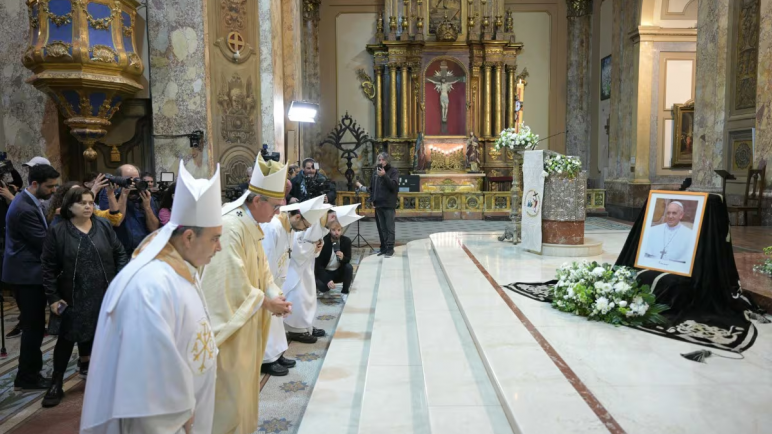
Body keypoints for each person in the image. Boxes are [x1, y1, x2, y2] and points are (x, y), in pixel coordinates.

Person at [80, 161, 224, 434]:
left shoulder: (182, 269)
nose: (220, 247)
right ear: (190, 237)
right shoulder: (150, 287)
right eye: (215, 238)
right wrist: (173, 417)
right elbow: (146, 380)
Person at [200, 154, 292, 434]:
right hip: (230, 330)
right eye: (275, 206)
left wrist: (274, 295)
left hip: (247, 323)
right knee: (228, 396)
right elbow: (229, 282)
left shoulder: (250, 223)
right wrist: (267, 303)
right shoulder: (231, 226)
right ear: (256, 201)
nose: (278, 212)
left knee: (242, 393)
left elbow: (262, 270)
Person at [41, 187, 128, 407]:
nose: (89, 206)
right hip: (73, 295)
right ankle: (56, 382)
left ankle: (107, 380)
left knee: (104, 337)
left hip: (103, 292)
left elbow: (119, 253)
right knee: (66, 339)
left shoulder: (103, 225)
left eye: (91, 202)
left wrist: (120, 283)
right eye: (83, 203)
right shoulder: (59, 231)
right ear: (70, 207)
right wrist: (53, 298)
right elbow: (48, 267)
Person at [4, 164, 59, 390]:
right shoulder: (24, 208)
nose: (53, 190)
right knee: (33, 327)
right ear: (34, 184)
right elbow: (45, 243)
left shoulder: (28, 201)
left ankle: (30, 372)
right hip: (27, 276)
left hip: (28, 273)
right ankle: (27, 377)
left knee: (34, 326)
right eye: (50, 186)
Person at [260, 194, 330, 375]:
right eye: (305, 225)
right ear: (297, 216)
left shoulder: (290, 228)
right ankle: (266, 360)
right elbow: (266, 259)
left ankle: (276, 354)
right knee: (268, 321)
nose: (304, 229)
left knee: (276, 322)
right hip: (268, 282)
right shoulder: (273, 227)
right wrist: (270, 286)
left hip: (278, 281)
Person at [99, 164, 159, 255]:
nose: (134, 182)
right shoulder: (109, 192)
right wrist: (123, 195)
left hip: (143, 249)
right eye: (129, 179)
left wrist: (147, 207)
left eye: (136, 178)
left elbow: (154, 229)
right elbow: (116, 221)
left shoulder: (144, 194)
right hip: (121, 251)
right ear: (119, 179)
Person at [354, 152, 399, 258]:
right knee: (382, 228)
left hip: (388, 204)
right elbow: (372, 189)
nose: (381, 162)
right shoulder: (375, 173)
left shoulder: (393, 172)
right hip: (378, 204)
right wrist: (361, 188)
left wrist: (384, 176)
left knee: (389, 228)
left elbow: (393, 186)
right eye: (379, 160)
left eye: (383, 160)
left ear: (388, 161)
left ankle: (390, 249)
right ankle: (384, 248)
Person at [315, 204, 362, 300]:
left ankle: (344, 292)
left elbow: (348, 260)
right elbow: (318, 266)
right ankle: (325, 289)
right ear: (329, 230)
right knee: (321, 285)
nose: (336, 233)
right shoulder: (324, 241)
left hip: (338, 272)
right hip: (326, 272)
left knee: (349, 268)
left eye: (339, 230)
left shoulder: (346, 241)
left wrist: (343, 258)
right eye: (333, 230)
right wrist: (327, 280)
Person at [0, 166, 24, 339]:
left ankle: (25, 320)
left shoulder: (9, 191)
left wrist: (12, 169)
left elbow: (18, 182)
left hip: (11, 242)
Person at [47, 181, 123, 227]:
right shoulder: (59, 215)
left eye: (80, 191)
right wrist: (94, 191)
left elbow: (115, 219)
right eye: (74, 192)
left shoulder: (91, 211)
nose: (79, 194)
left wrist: (110, 194)